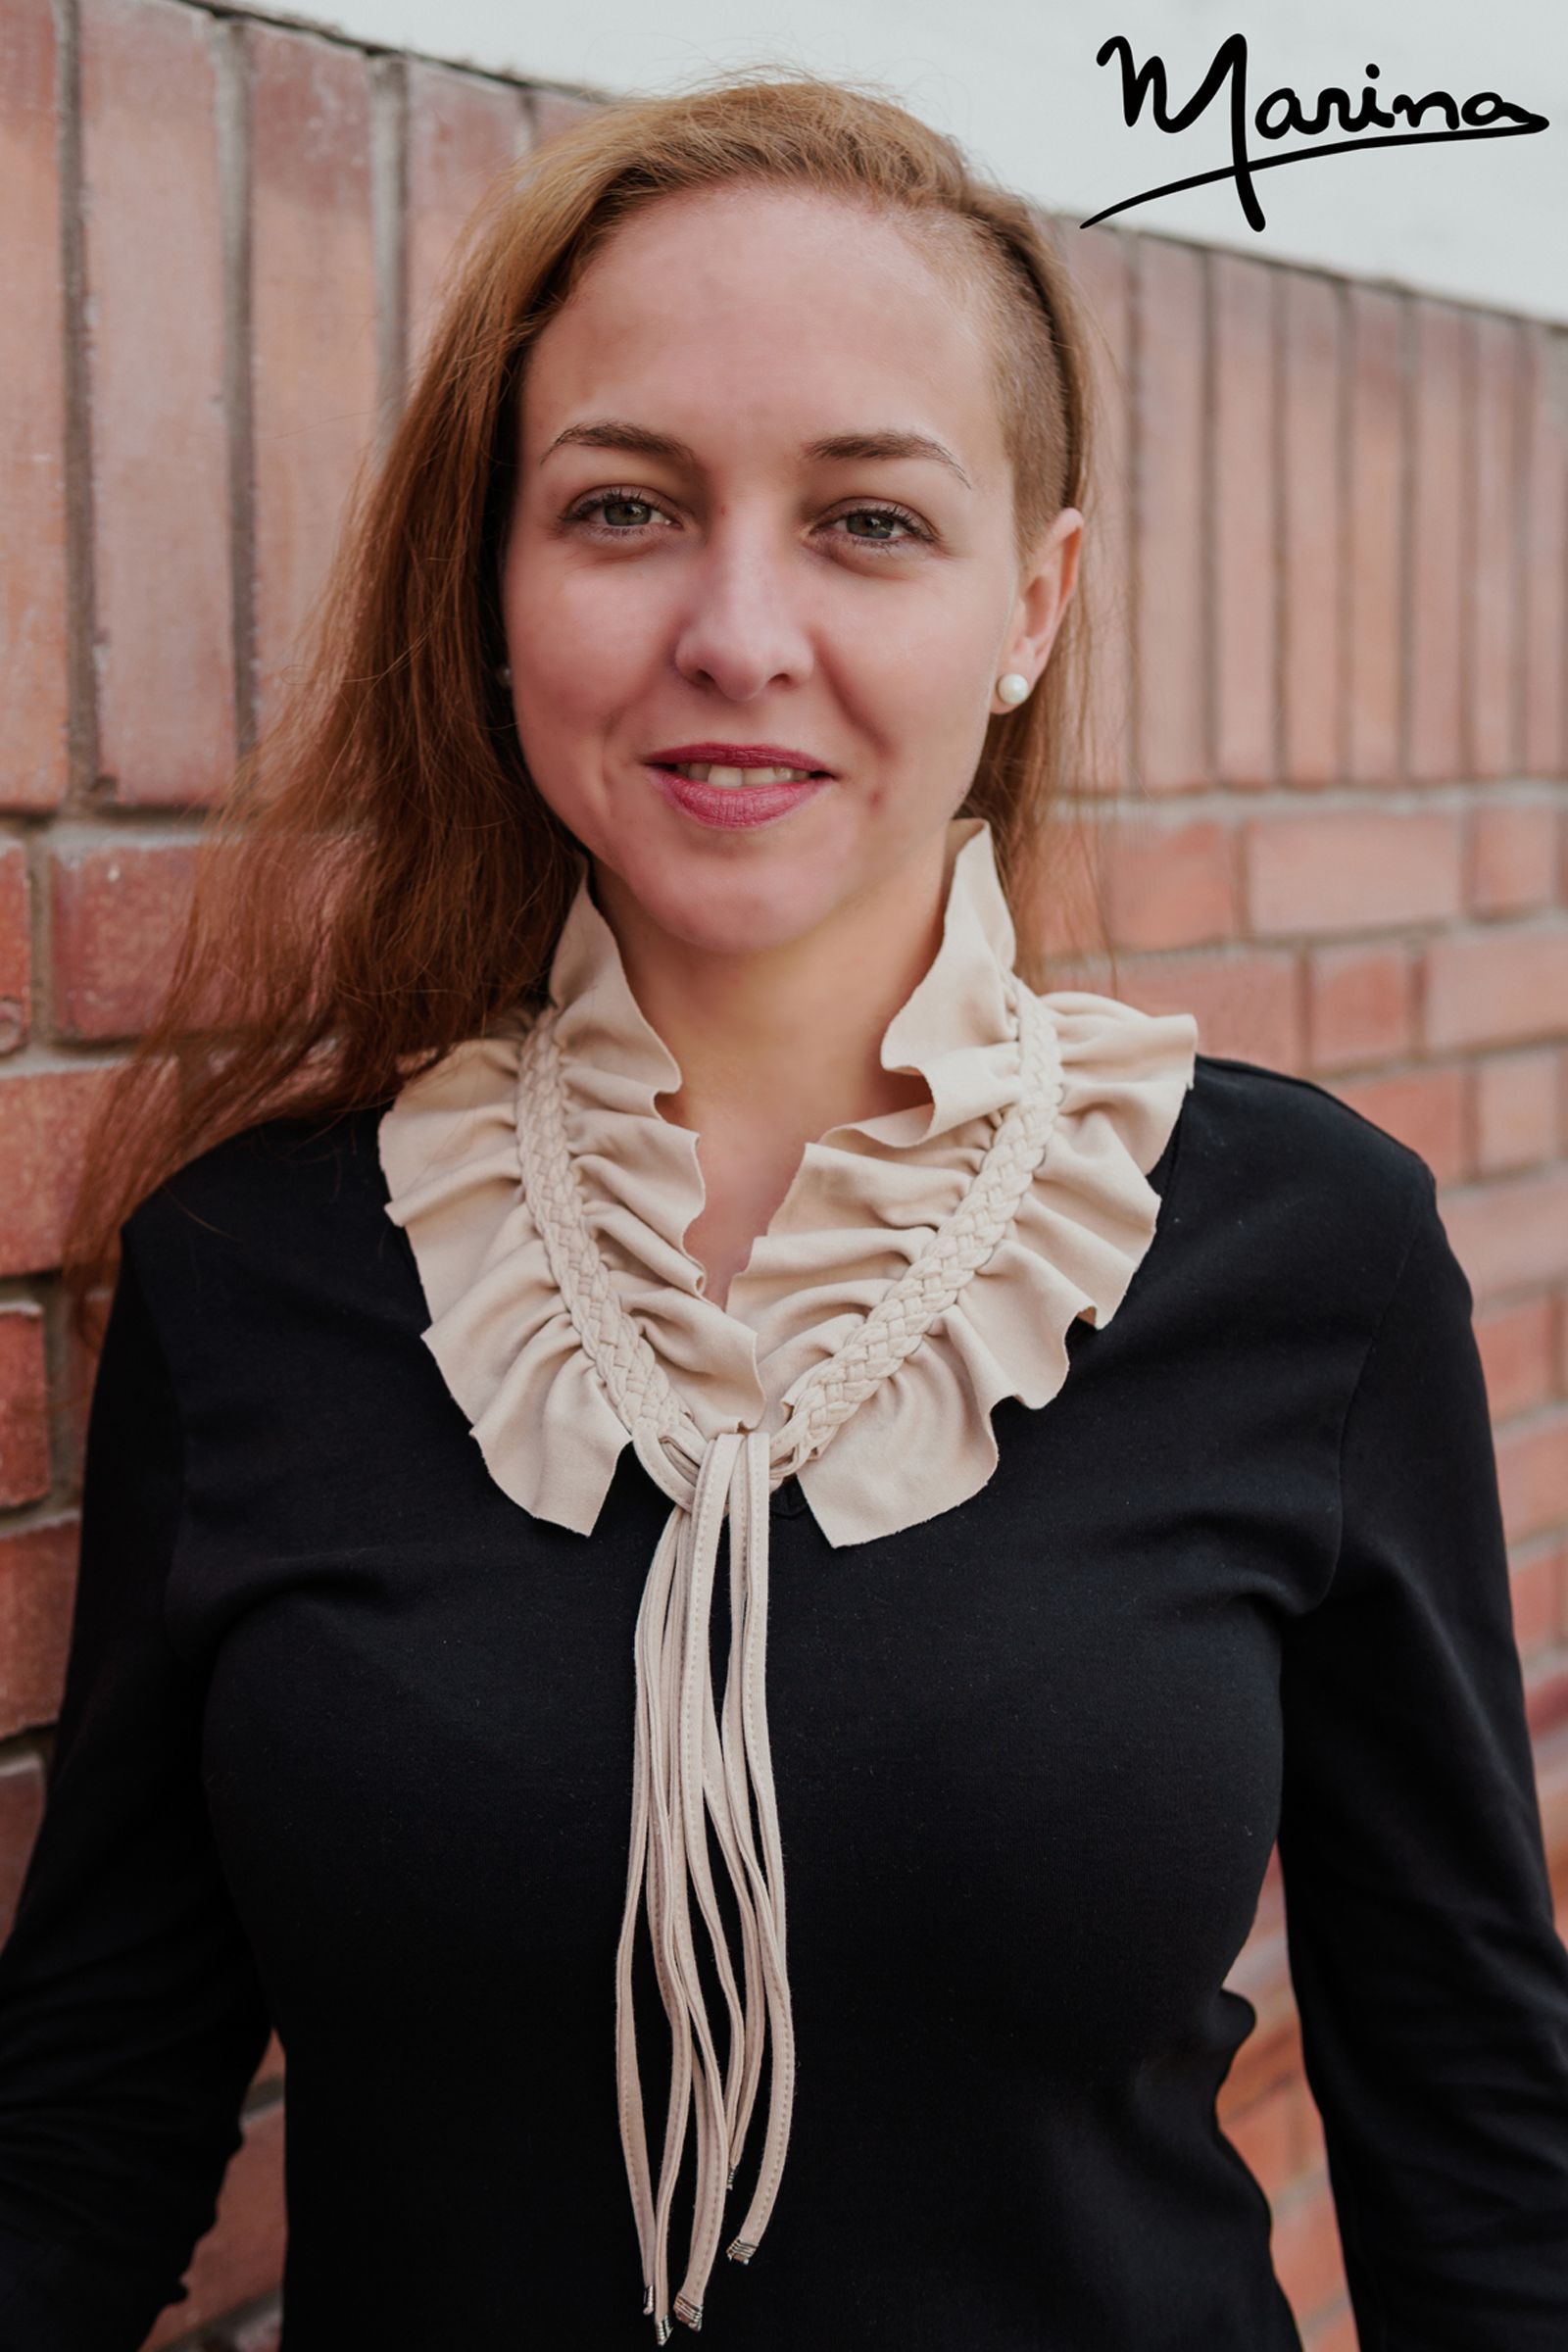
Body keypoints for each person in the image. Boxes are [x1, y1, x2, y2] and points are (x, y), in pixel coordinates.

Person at [0, 74, 1565, 2352]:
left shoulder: (1296, 1250)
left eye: (866, 522)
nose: (736, 633)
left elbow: (1474, 2139)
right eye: (624, 507)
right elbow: (86, 2128)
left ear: (1030, 606)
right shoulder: (258, 1275)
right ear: (498, 586)